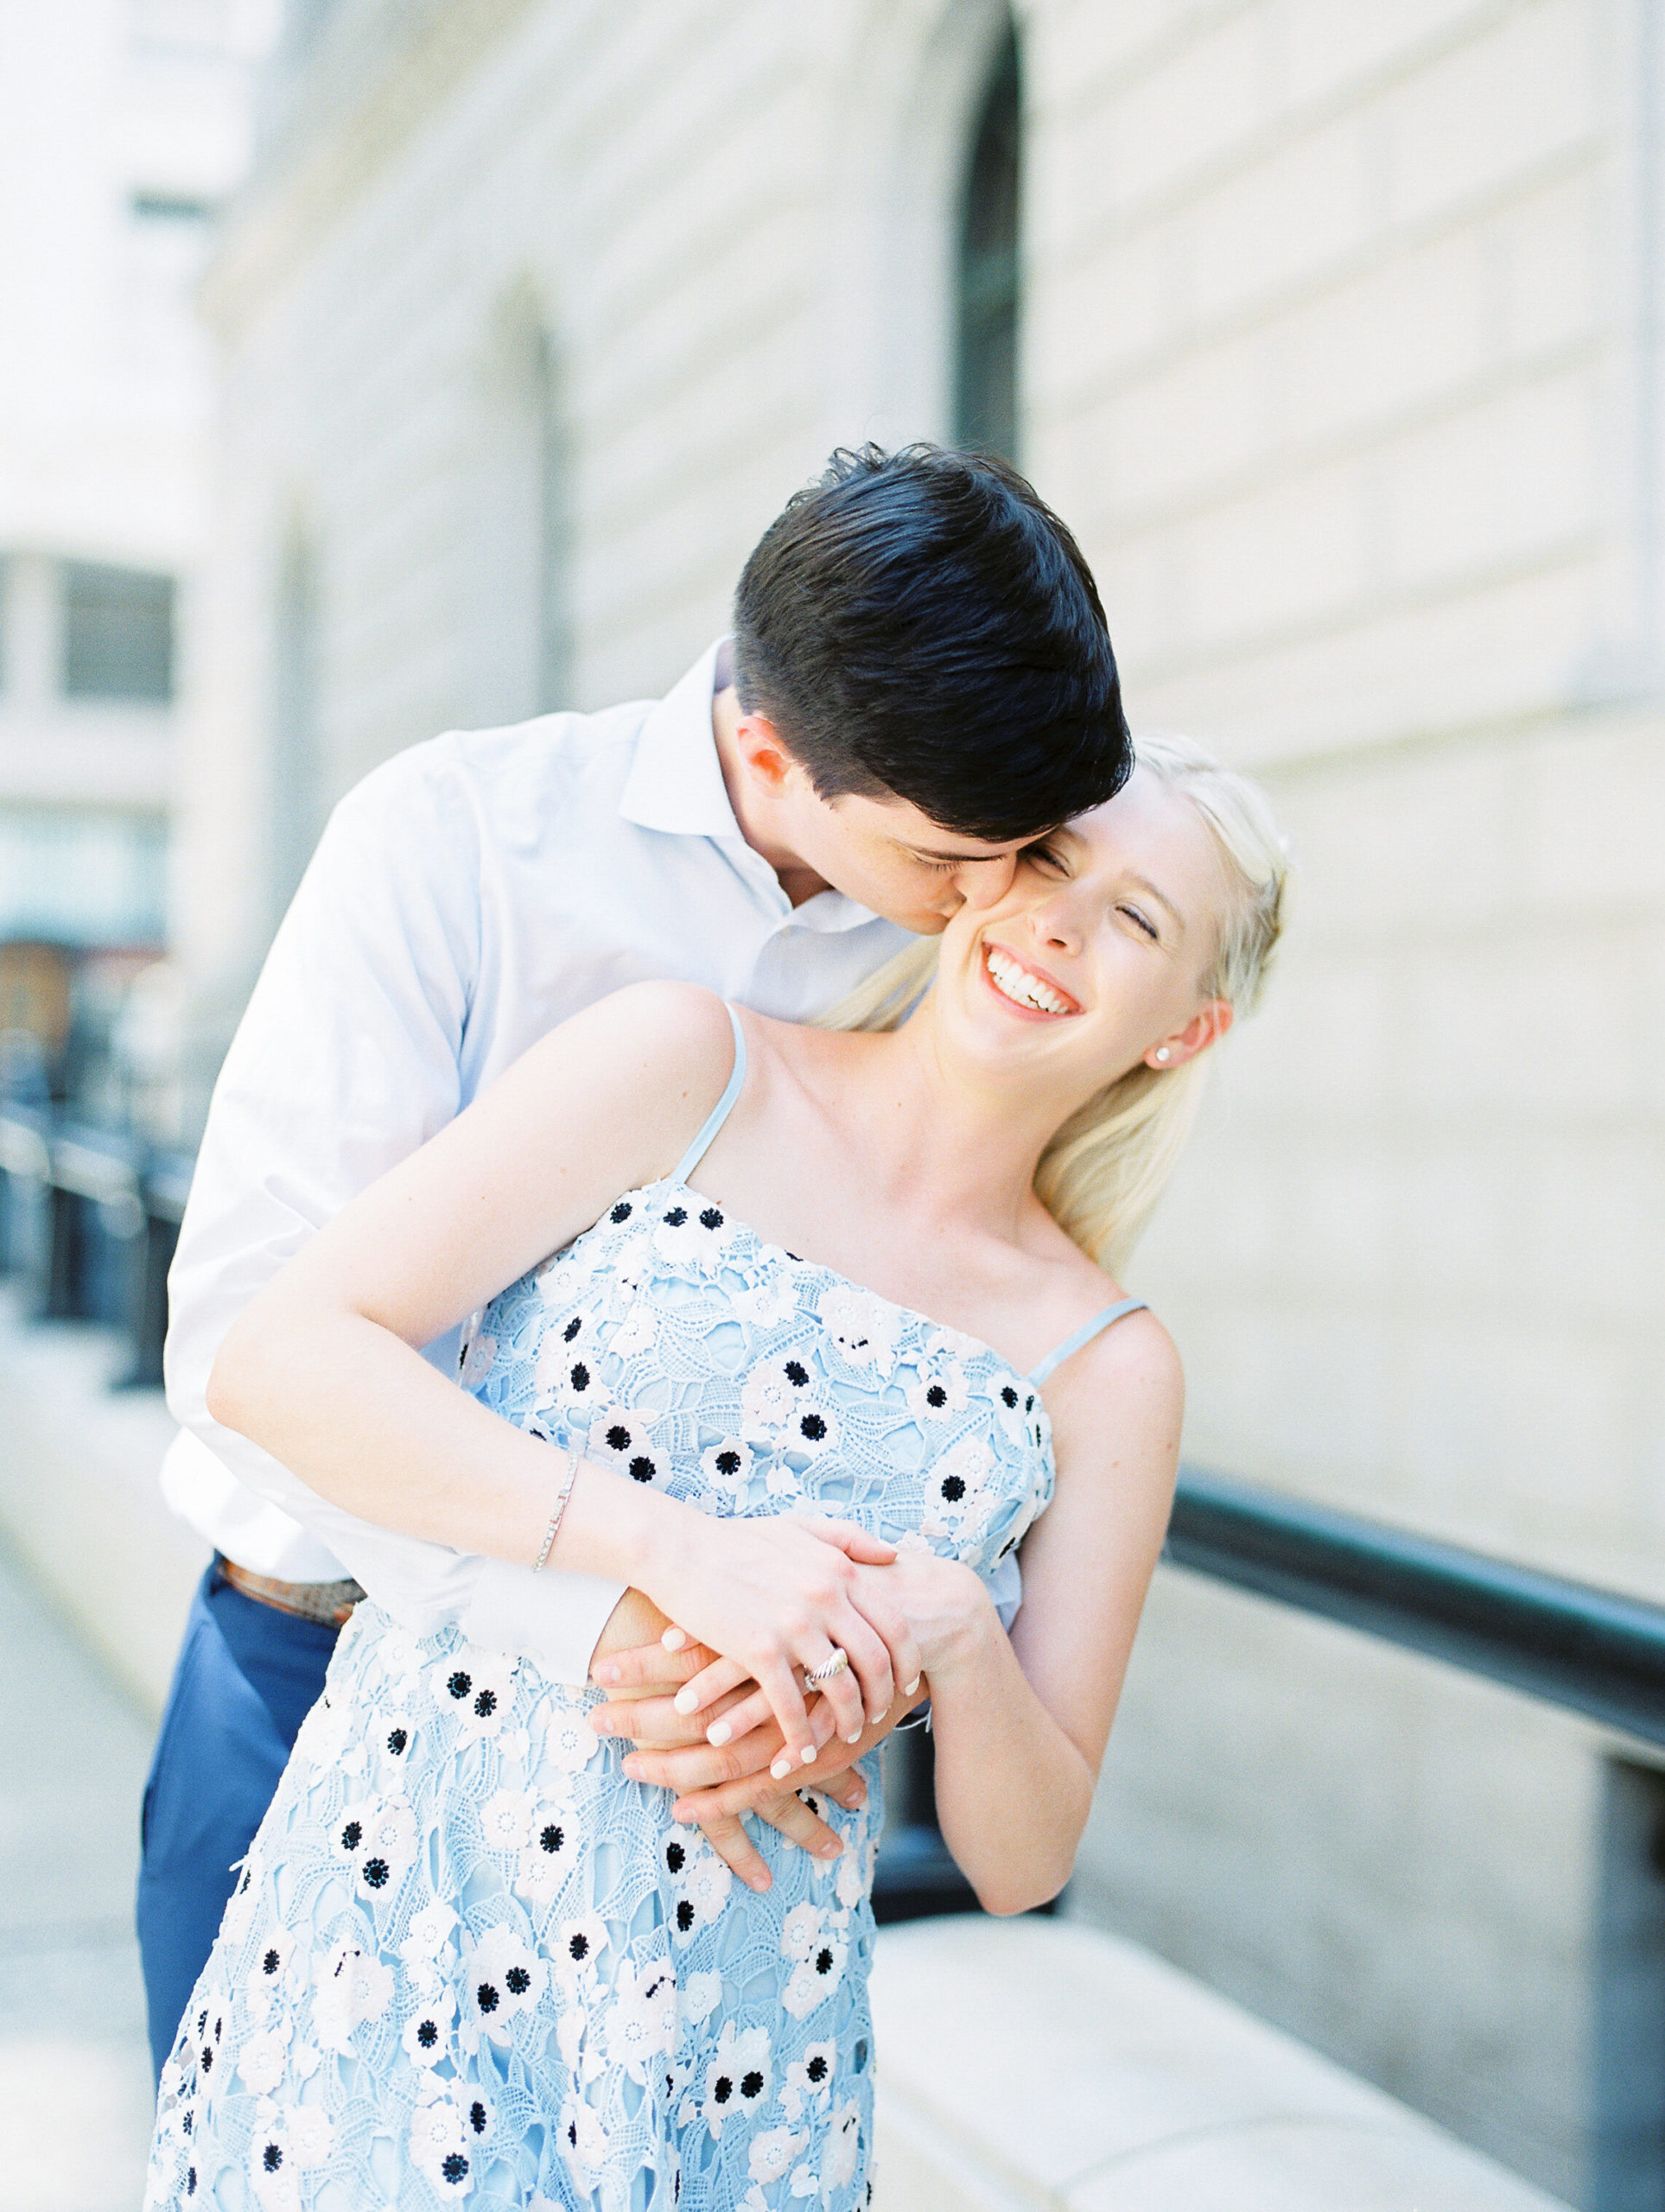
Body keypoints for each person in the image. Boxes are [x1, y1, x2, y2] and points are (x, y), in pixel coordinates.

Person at [144, 734, 1288, 2210]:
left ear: (1185, 1031)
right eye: (1050, 861)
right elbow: (281, 1355)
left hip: (738, 2026)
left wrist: (951, 1645)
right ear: (978, 871)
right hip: (407, 1899)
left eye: (1136, 920)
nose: (1059, 924)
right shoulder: (688, 1060)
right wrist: (674, 1571)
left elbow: (1024, 1858)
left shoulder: (1110, 1366)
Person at [138, 442, 1134, 2079]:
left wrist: (841, 1668)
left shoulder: (951, 948)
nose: (990, 905)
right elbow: (250, 1353)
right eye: (954, 864)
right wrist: (615, 1608)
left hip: (701, 1785)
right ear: (768, 748)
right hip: (312, 1668)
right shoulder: (450, 841)